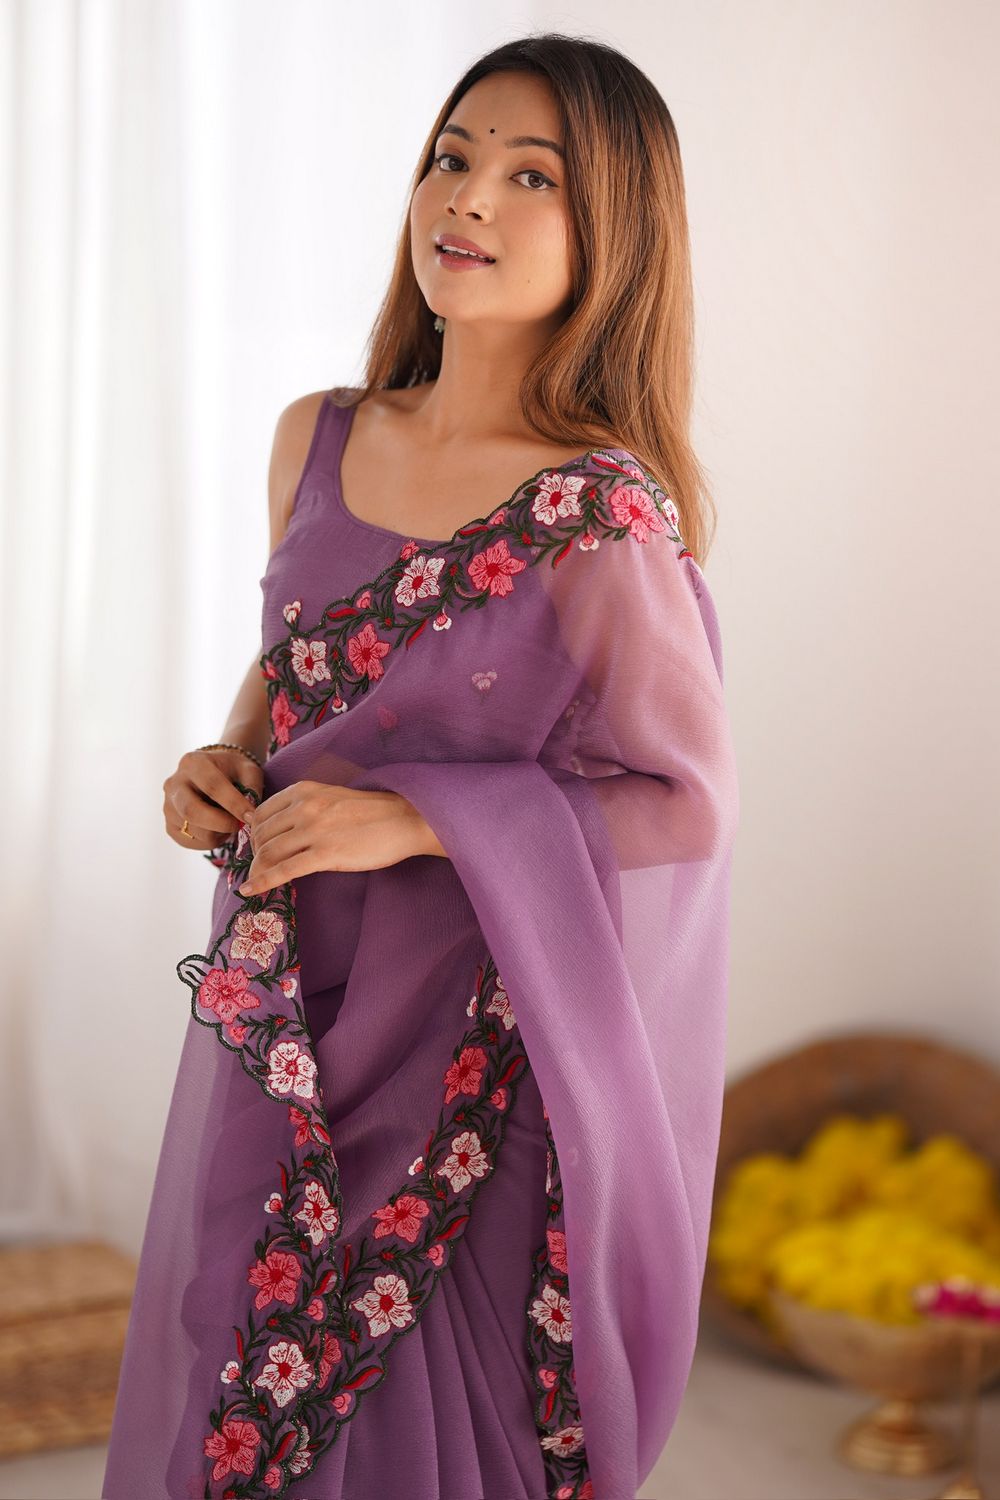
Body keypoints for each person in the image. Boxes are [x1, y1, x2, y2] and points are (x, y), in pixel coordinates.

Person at [102, 32, 740, 1500]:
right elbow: (297, 666)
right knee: (237, 1356)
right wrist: (222, 762)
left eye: (534, 177)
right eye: (453, 157)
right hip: (286, 997)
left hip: (467, 1048)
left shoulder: (598, 518)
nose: (470, 197)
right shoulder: (319, 439)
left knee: (410, 1419)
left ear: (614, 234)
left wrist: (414, 822)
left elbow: (684, 802)